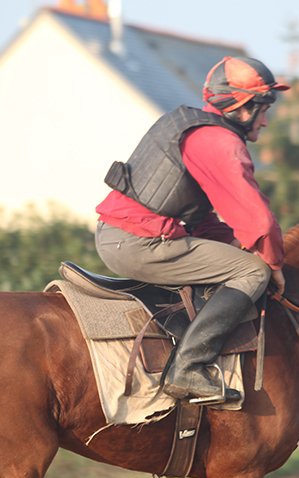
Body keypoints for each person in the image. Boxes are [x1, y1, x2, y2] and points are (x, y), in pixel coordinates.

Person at [95, 55, 288, 405]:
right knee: (253, 271)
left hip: (120, 237)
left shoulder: (193, 128)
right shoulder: (222, 144)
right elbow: (259, 223)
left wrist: (235, 242)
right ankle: (188, 367)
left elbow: (202, 220)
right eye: (263, 108)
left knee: (244, 261)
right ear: (242, 107)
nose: (266, 120)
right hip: (138, 243)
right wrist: (273, 264)